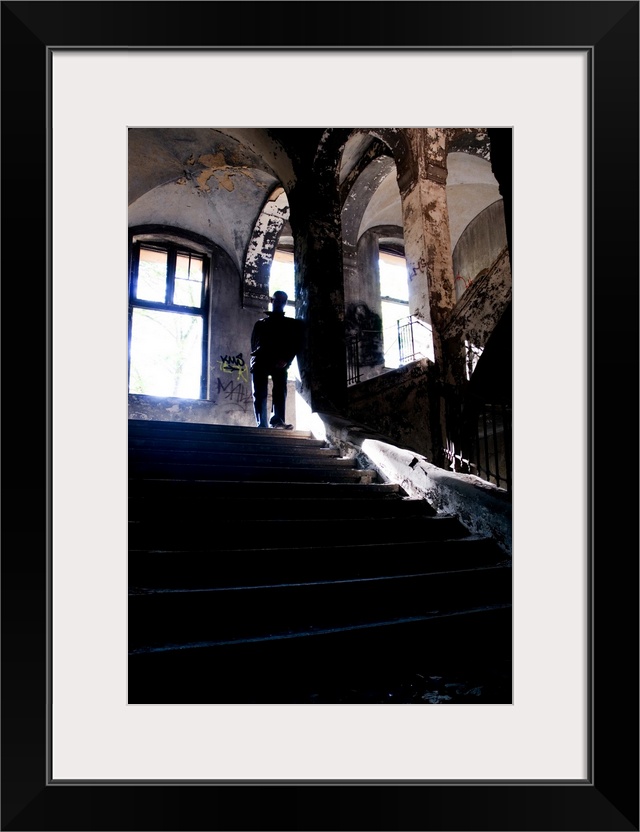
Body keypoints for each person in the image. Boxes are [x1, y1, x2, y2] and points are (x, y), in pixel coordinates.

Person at [250, 291, 303, 429]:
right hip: (261, 361)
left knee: (280, 391)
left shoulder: (290, 324)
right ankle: (262, 423)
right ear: (272, 301)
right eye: (277, 300)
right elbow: (254, 344)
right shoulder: (260, 324)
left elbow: (294, 344)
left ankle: (278, 421)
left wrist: (286, 360)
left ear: (285, 303)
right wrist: (254, 362)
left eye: (282, 301)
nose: (279, 303)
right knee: (259, 393)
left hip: (279, 362)